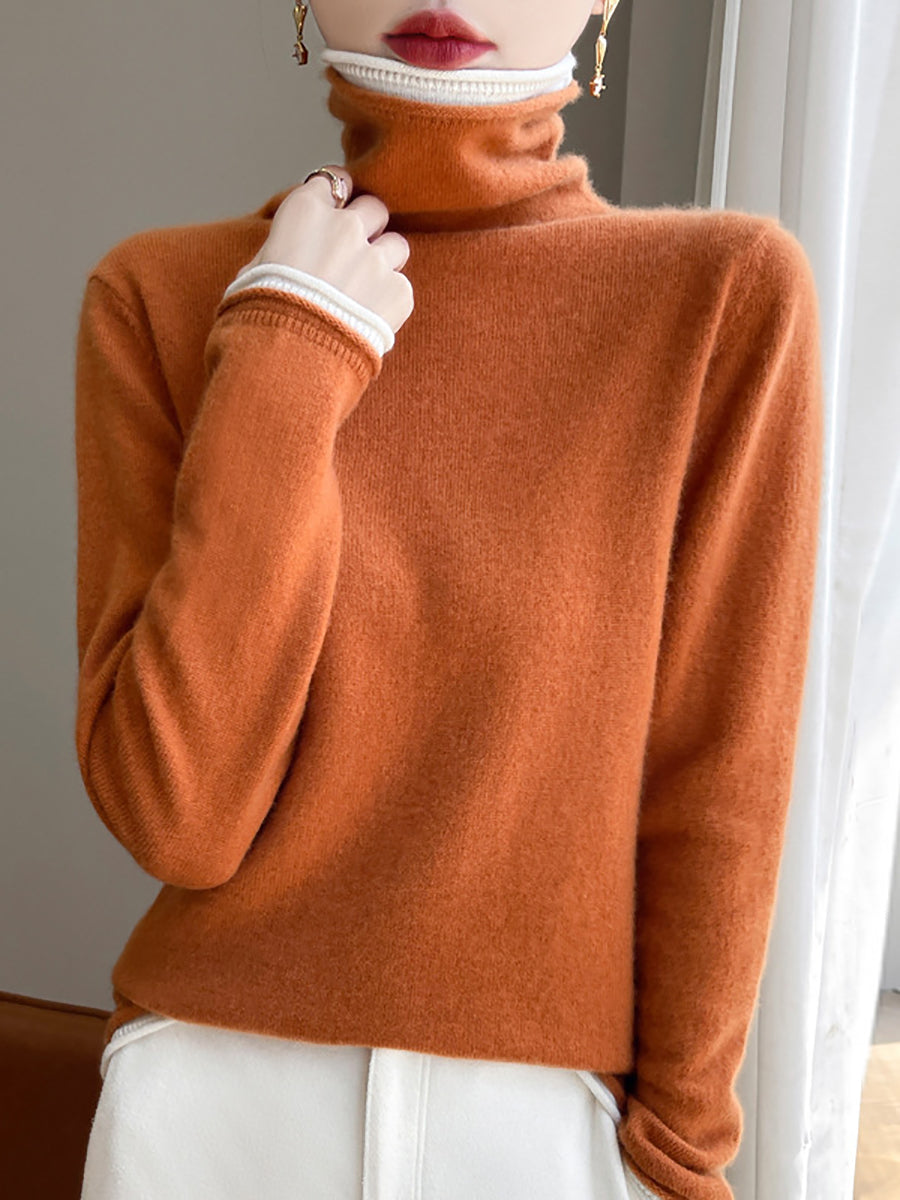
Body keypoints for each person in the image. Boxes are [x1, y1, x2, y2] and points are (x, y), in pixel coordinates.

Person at [74, 1, 824, 1198]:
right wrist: (288, 347)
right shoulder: (159, 296)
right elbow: (179, 814)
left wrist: (681, 1153)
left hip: (547, 1135)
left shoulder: (722, 298)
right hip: (208, 1115)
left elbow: (722, 773)